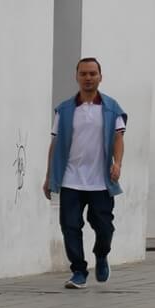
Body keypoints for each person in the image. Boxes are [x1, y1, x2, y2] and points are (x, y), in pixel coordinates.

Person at [44, 57, 127, 289]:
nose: (88, 78)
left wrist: (117, 163)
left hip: (100, 181)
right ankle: (79, 271)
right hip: (71, 179)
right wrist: (49, 176)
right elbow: (55, 143)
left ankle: (101, 255)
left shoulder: (111, 108)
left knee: (104, 227)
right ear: (77, 76)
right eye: (84, 74)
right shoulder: (65, 109)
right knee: (69, 226)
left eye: (93, 73)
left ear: (100, 76)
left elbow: (119, 138)